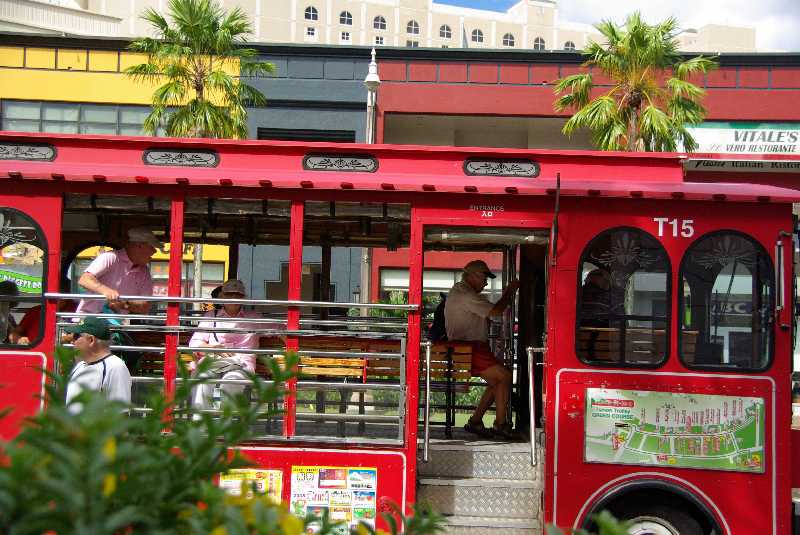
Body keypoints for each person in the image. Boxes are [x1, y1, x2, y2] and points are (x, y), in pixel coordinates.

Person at [445, 259, 520, 440]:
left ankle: (477, 421)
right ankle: (500, 425)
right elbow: (495, 311)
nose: (486, 283)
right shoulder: (466, 295)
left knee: (498, 381)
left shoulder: (461, 291)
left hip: (468, 348)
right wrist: (509, 292)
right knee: (504, 377)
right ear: (473, 275)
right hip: (471, 347)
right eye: (485, 278)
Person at [188, 279, 262, 411]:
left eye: (238, 294)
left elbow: (281, 329)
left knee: (231, 382)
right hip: (213, 363)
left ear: (243, 297)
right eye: (229, 294)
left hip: (242, 365)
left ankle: (226, 421)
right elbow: (195, 343)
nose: (233, 297)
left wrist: (292, 351)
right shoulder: (211, 316)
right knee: (202, 379)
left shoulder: (254, 318)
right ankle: (200, 420)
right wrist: (213, 348)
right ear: (222, 296)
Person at [75, 227, 161, 316]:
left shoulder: (144, 271)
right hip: (88, 318)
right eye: (152, 247)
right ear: (139, 246)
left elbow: (145, 306)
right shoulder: (110, 257)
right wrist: (106, 291)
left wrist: (124, 304)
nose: (154, 251)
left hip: (116, 322)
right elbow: (84, 280)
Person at [62, 316, 132, 414]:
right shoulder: (80, 366)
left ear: (91, 340)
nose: (72, 341)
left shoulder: (115, 367)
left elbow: (120, 414)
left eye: (76, 336)